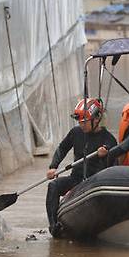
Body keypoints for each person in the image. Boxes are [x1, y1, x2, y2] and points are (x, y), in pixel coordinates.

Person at [46, 98, 117, 237]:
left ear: (96, 119)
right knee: (53, 186)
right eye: (79, 121)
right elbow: (62, 148)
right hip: (76, 179)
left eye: (84, 121)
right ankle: (54, 226)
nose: (81, 125)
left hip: (95, 183)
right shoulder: (75, 133)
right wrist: (53, 167)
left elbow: (114, 162)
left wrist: (106, 152)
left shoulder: (108, 138)